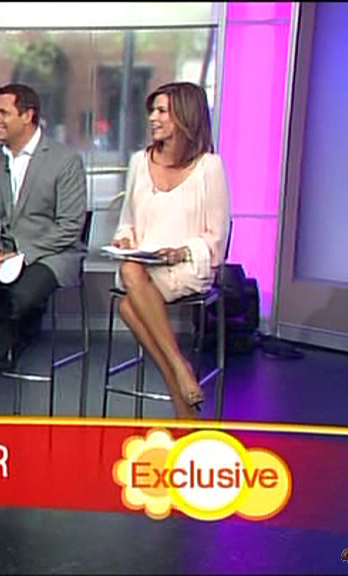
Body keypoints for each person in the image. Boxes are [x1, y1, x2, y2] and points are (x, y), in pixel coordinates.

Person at [0, 83, 87, 373]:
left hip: (51, 252)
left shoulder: (65, 161)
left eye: (3, 113)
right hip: (3, 250)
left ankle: (9, 337)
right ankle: (7, 343)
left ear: (27, 115)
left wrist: (22, 254)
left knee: (19, 296)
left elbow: (70, 226)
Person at [111, 81, 230, 419]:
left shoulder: (209, 167)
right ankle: (180, 370)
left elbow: (217, 238)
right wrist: (125, 239)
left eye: (162, 111)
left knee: (128, 305)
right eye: (153, 110)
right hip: (143, 265)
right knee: (130, 273)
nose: (153, 117)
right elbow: (126, 222)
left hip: (186, 266)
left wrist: (182, 251)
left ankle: (177, 377)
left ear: (185, 117)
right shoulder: (139, 161)